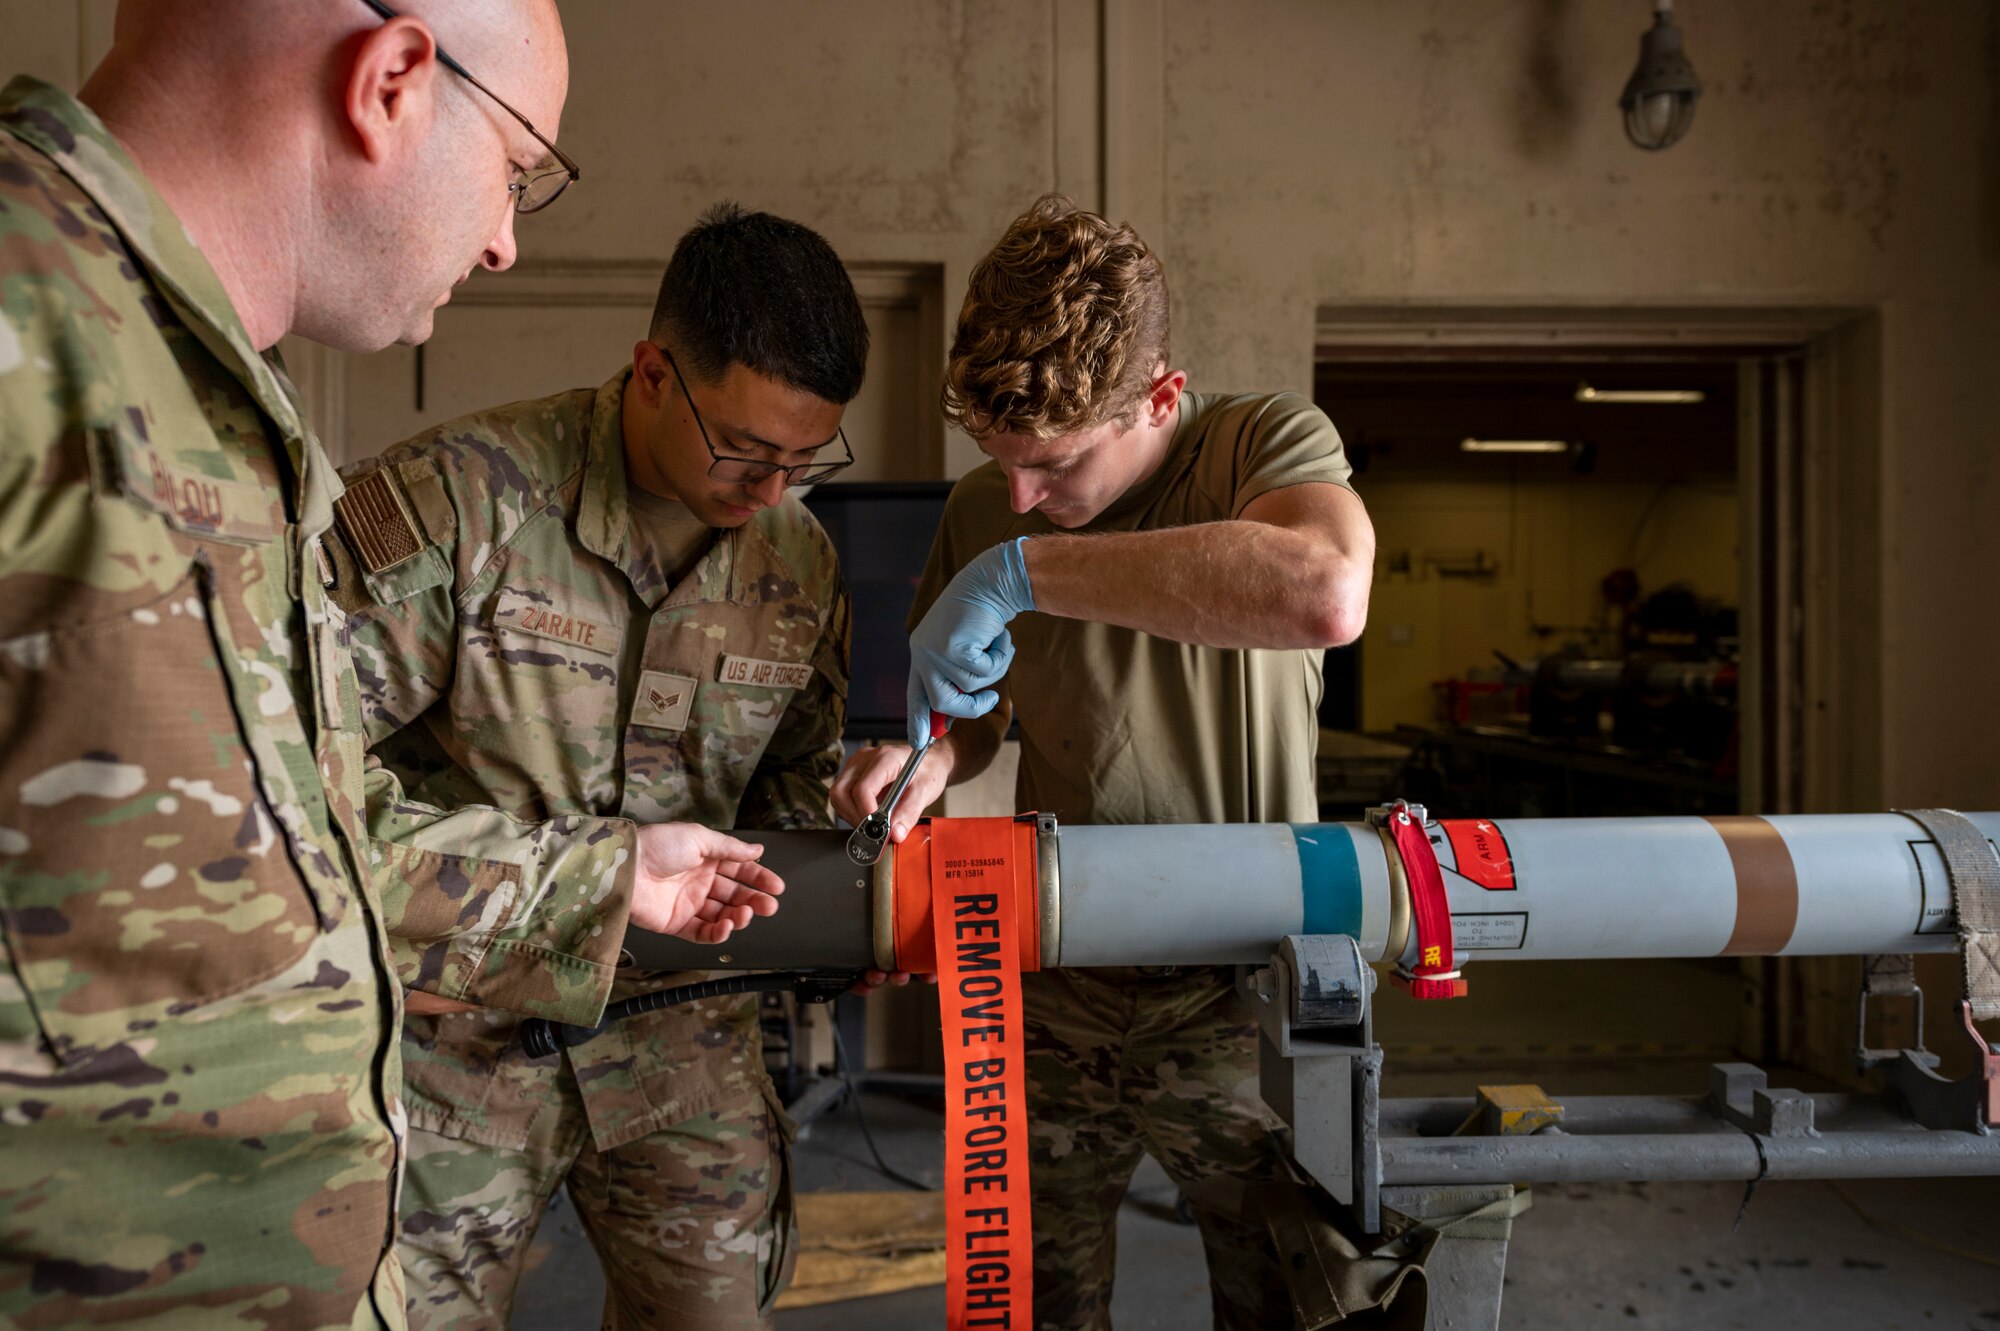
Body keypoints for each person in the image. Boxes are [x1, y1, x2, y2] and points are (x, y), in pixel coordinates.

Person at [831, 195, 1376, 1330]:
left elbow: (1322, 589)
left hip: (1242, 981)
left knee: (1285, 1294)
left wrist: (1024, 571)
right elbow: (970, 713)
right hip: (1054, 974)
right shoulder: (989, 503)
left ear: (1160, 400)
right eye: (1002, 462)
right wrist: (927, 757)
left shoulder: (1259, 445)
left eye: (1055, 464)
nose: (1021, 496)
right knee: (1032, 1298)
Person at [329, 203, 865, 1330]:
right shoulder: (464, 503)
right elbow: (302, 786)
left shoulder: (799, 563)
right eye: (746, 448)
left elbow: (792, 782)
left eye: (805, 458)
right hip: (453, 1049)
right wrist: (576, 877)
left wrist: (841, 885)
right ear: (654, 374)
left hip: (685, 1049)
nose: (771, 488)